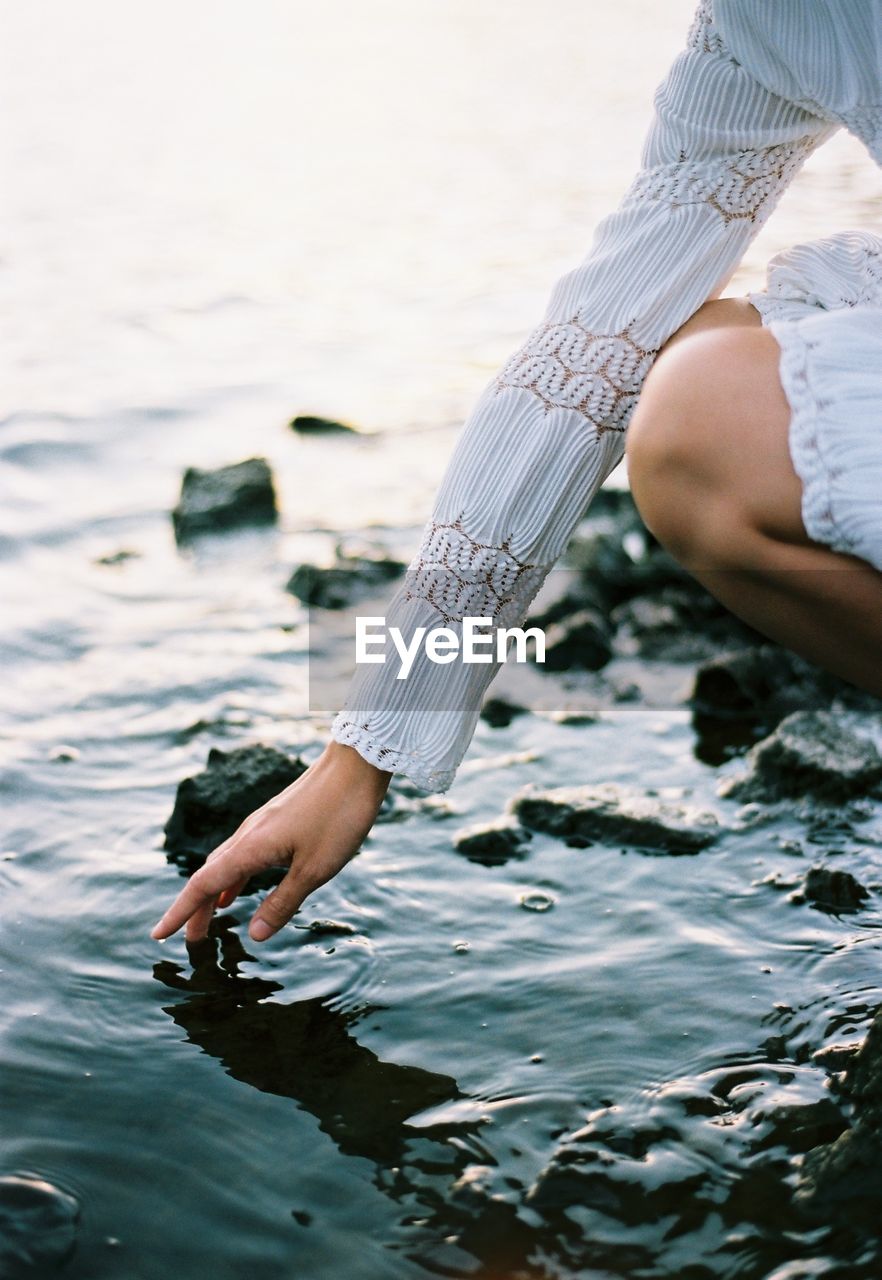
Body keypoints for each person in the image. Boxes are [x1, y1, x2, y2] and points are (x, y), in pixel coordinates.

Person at [152, 0, 882, 947]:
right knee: (692, 379)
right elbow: (586, 350)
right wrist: (358, 752)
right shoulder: (762, 20)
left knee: (701, 404)